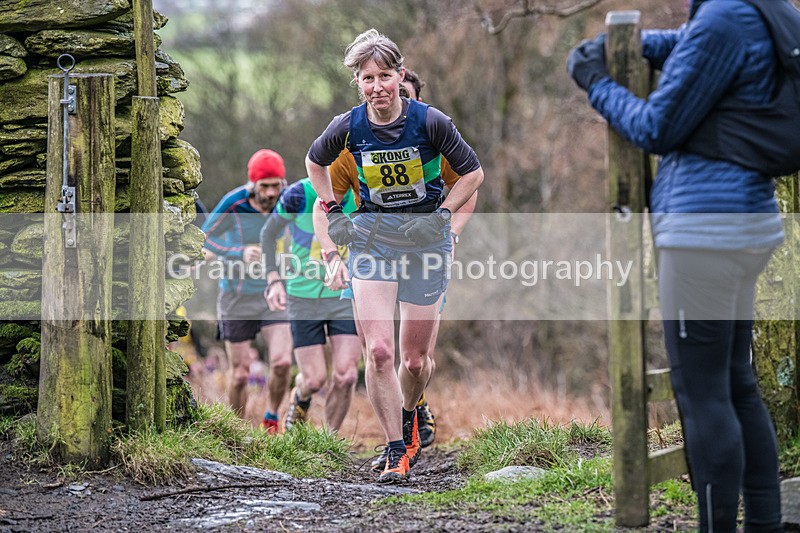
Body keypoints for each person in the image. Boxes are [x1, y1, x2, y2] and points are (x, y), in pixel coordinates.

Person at [567, 1, 784, 531]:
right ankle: (763, 523)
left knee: (702, 392)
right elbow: (694, 45)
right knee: (736, 383)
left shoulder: (725, 16)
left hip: (704, 233)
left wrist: (596, 80)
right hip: (744, 222)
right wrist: (630, 44)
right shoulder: (749, 11)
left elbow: (657, 126)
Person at [306, 29, 484, 483]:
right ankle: (395, 447)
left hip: (425, 244)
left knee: (414, 362)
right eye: (367, 78)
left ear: (400, 76)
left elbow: (474, 174)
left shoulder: (430, 122)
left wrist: (442, 216)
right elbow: (313, 164)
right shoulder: (347, 127)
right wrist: (331, 210)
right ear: (358, 83)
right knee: (379, 352)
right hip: (373, 241)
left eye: (385, 76)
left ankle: (410, 414)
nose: (377, 86)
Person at [201, 149, 294, 433]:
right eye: (264, 186)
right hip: (237, 294)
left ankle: (272, 418)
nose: (270, 192)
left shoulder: (290, 201)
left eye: (275, 185)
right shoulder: (234, 202)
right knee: (240, 374)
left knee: (281, 362)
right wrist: (238, 252)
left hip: (275, 293)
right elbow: (203, 238)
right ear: (253, 184)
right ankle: (237, 431)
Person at [259, 177, 362, 432]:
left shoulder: (362, 191)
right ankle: (300, 396)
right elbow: (268, 233)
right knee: (314, 380)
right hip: (303, 295)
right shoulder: (299, 195)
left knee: (346, 375)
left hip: (346, 294)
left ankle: (328, 440)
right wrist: (273, 279)